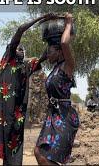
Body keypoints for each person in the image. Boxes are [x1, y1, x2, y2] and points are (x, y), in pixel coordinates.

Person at [0, 14, 55, 166]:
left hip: (15, 117)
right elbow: (20, 30)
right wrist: (41, 18)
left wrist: (51, 36)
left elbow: (44, 56)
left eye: (23, 50)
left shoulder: (27, 67)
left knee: (13, 153)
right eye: (19, 48)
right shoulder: (7, 60)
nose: (21, 50)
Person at [34, 13, 79, 165]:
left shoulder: (67, 66)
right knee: (38, 152)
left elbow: (65, 44)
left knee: (45, 158)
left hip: (65, 116)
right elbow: (44, 56)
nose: (47, 54)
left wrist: (68, 24)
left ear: (59, 51)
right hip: (52, 115)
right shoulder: (55, 69)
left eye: (50, 51)